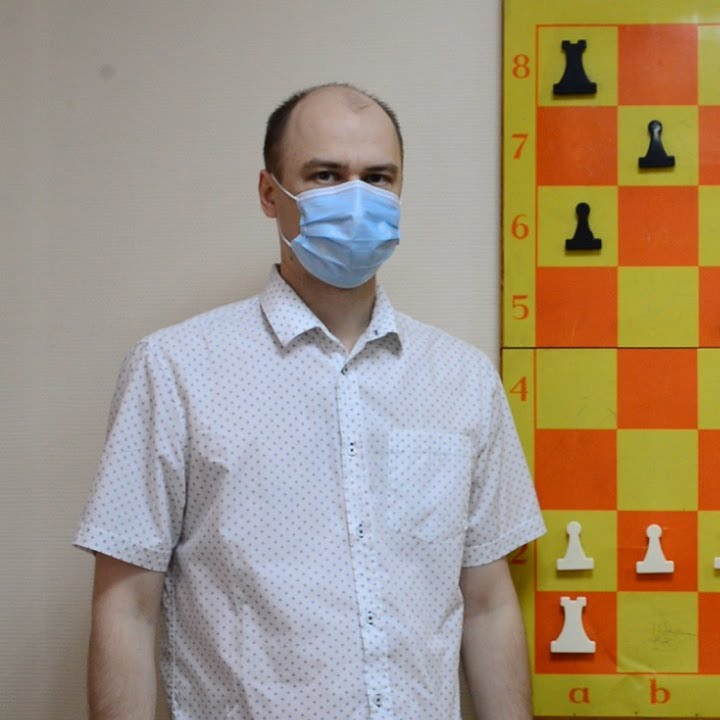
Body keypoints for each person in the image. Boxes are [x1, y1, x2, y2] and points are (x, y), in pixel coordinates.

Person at [73, 83, 545, 719]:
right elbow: (127, 609)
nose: (356, 197)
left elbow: (487, 605)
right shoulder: (175, 370)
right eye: (325, 175)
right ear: (270, 193)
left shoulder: (462, 379)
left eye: (378, 178)